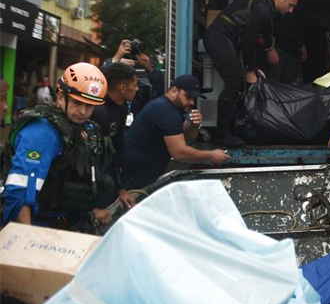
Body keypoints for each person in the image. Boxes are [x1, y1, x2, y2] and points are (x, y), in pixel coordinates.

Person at [1, 63, 117, 229]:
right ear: (61, 96)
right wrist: (25, 238)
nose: (83, 111)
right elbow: (20, 190)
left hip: (67, 221)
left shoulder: (84, 128)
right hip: (38, 222)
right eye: (77, 103)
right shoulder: (43, 131)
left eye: (89, 106)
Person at [203, 0, 299, 146]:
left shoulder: (267, 9)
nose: (291, 11)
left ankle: (232, 129)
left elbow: (267, 35)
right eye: (291, 5)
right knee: (235, 82)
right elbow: (248, 41)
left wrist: (268, 51)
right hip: (218, 37)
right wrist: (250, 69)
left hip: (226, 39)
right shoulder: (263, 9)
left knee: (238, 83)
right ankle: (221, 134)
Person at [124, 75, 230, 189]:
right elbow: (180, 153)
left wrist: (194, 125)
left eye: (193, 98)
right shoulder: (165, 110)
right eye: (188, 97)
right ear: (174, 91)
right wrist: (211, 155)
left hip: (142, 171)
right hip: (134, 174)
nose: (191, 102)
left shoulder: (169, 108)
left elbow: (186, 138)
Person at [92, 62, 138, 210]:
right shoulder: (98, 111)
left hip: (106, 171)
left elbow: (118, 148)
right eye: (135, 84)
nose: (137, 89)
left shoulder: (122, 108)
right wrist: (93, 207)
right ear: (123, 88)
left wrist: (122, 189)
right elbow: (88, 159)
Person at [264, 0, 309, 84]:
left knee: (289, 85)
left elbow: (300, 20)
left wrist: (302, 43)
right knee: (273, 85)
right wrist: (270, 48)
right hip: (277, 46)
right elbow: (266, 21)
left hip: (293, 48)